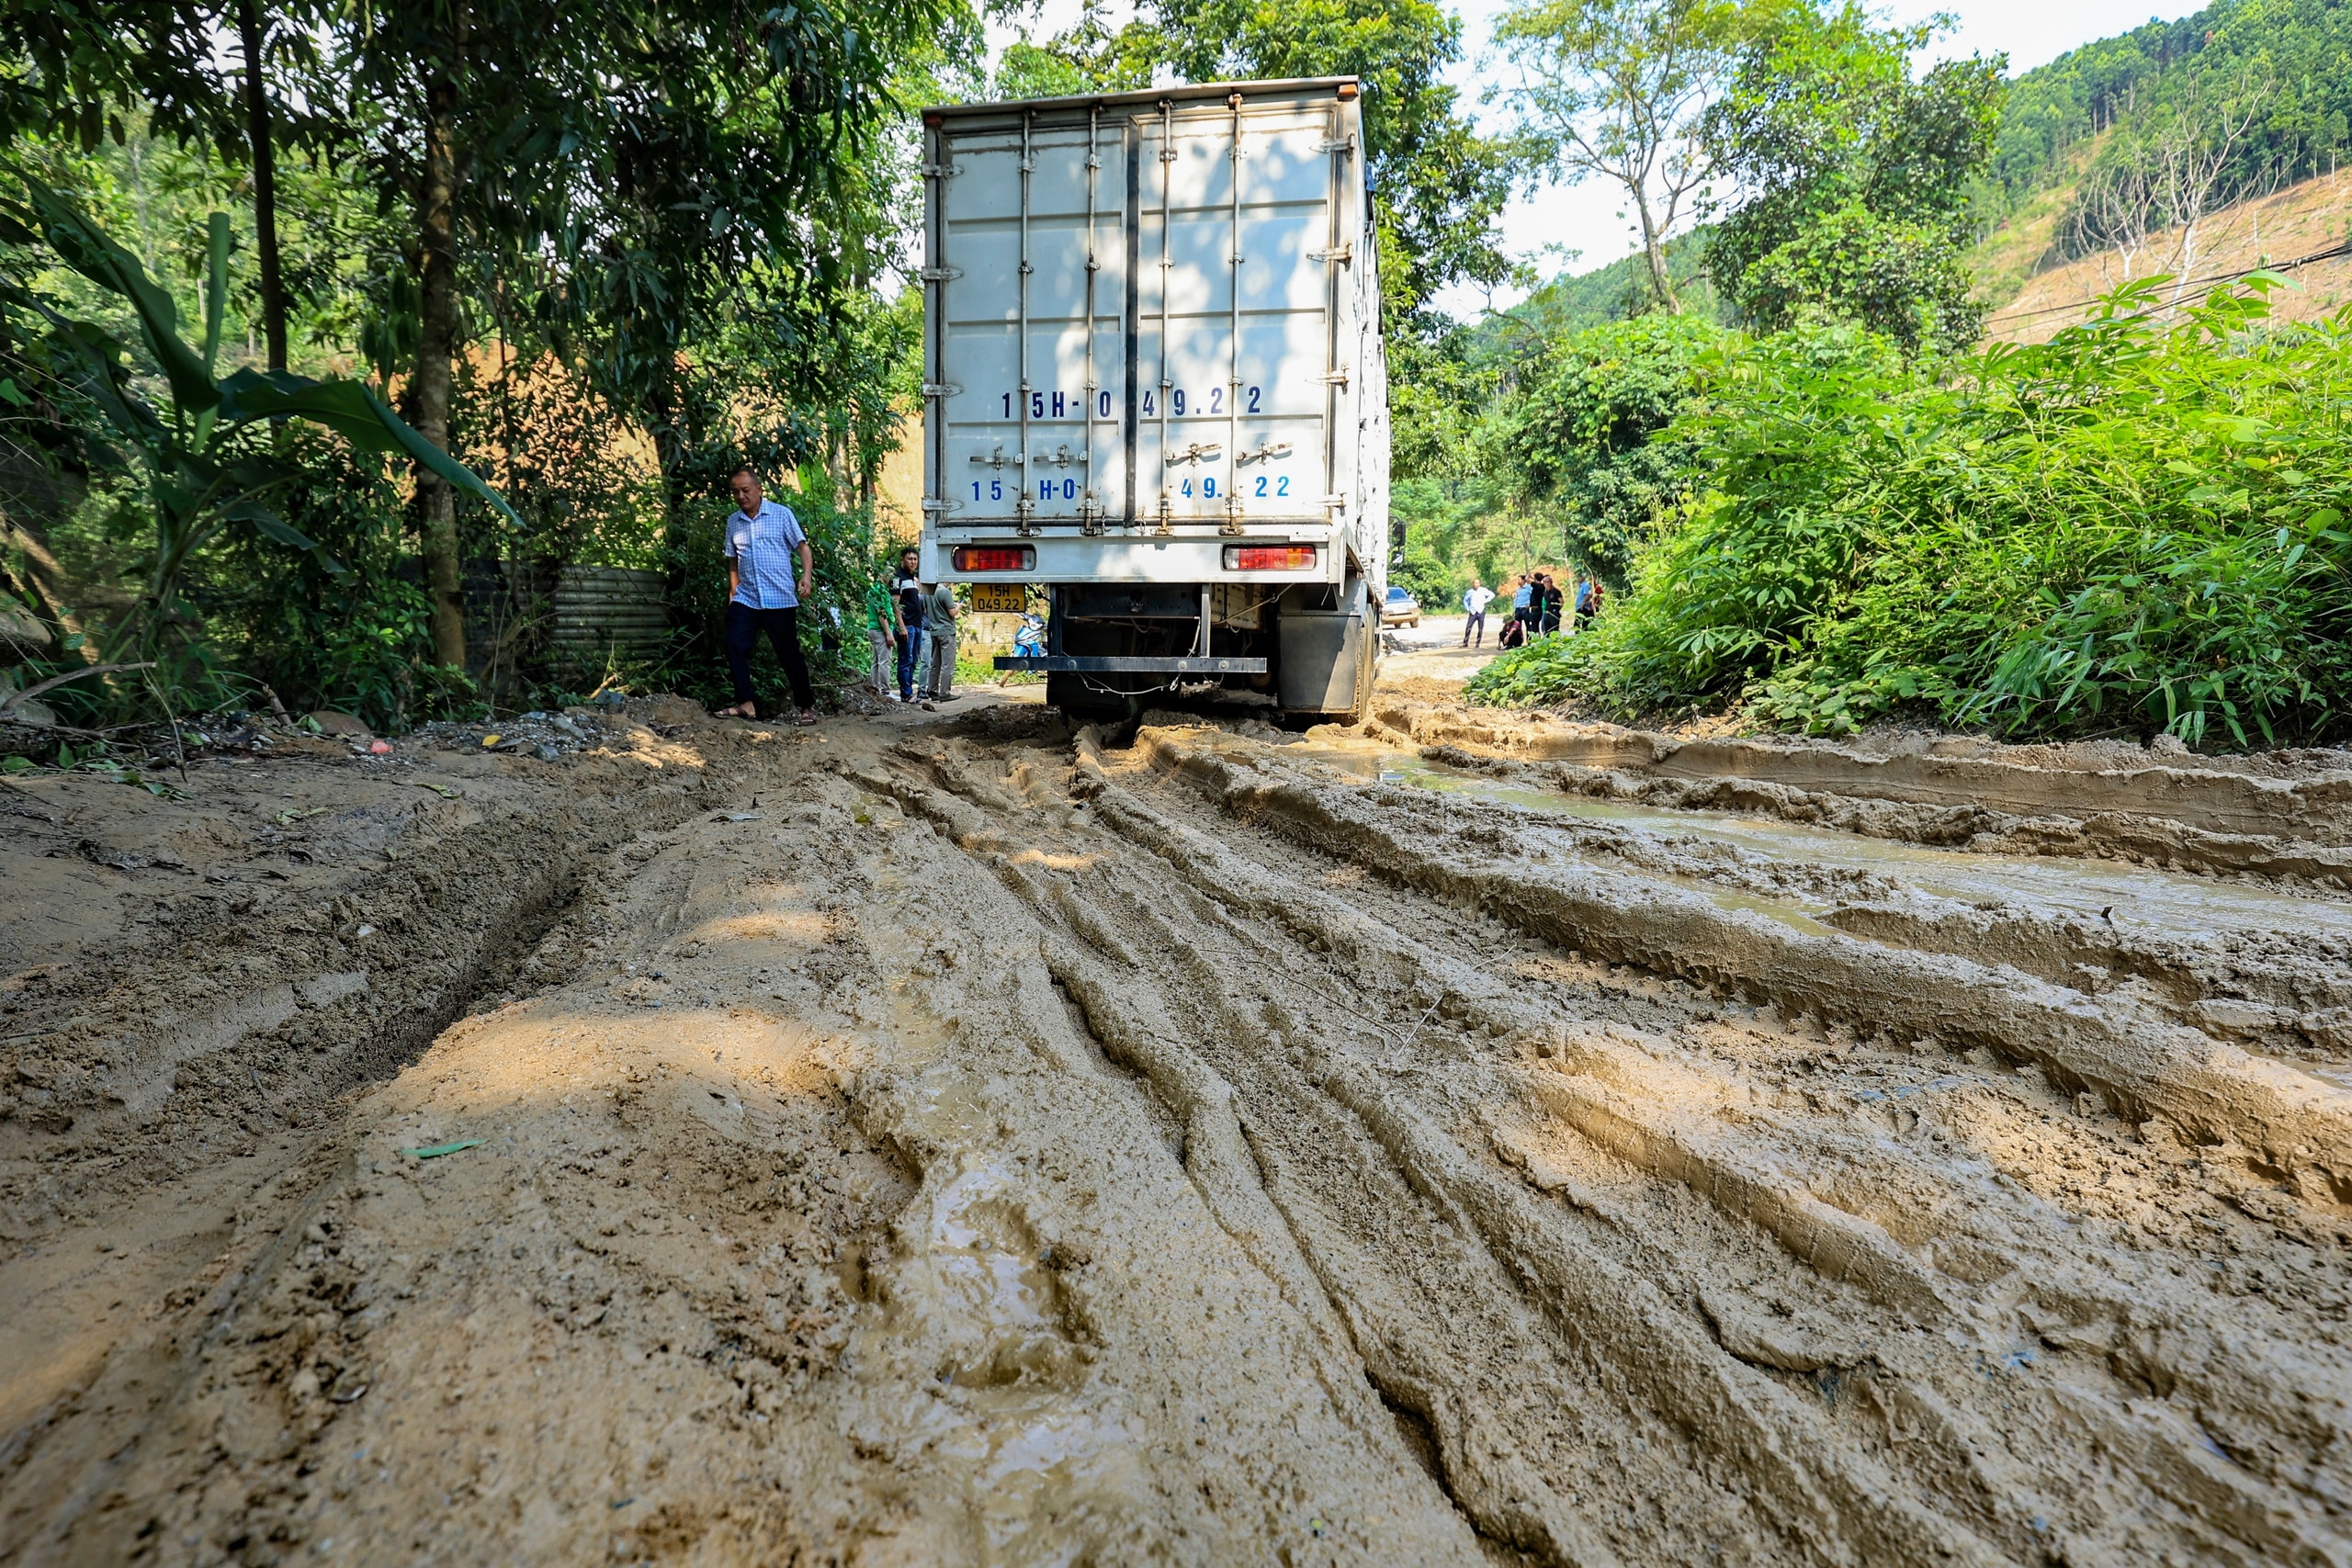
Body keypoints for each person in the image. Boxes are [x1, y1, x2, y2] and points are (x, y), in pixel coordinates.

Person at [715, 465, 816, 725]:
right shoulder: (733, 522)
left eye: (745, 490)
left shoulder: (781, 515)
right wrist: (733, 592)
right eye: (735, 492)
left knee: (788, 654)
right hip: (746, 597)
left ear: (759, 489)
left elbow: (803, 549)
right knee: (734, 644)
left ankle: (806, 706)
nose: (741, 496)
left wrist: (806, 577)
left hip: (779, 598)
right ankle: (746, 704)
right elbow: (733, 561)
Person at [891, 547, 926, 705]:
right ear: (902, 560)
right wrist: (901, 626)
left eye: (915, 559)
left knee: (913, 660)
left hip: (917, 625)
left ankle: (909, 692)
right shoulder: (897, 578)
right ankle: (906, 694)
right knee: (905, 660)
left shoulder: (913, 579)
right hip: (907, 625)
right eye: (909, 559)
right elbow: (895, 604)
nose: (913, 562)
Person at [921, 579, 958, 707]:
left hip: (934, 631)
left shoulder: (928, 592)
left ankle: (932, 690)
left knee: (935, 663)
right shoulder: (945, 592)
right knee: (948, 664)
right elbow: (952, 613)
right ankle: (945, 693)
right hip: (946, 631)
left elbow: (926, 610)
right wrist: (959, 606)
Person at [863, 573, 899, 698]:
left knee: (876, 661)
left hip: (872, 628)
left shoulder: (872, 590)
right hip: (880, 630)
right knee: (884, 661)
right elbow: (881, 613)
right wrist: (888, 633)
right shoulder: (880, 591)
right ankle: (885, 691)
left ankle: (875, 688)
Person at [1461, 578, 1494, 648]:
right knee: (1468, 627)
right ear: (1472, 584)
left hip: (1481, 610)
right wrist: (1467, 608)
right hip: (1473, 611)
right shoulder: (1469, 592)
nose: (1476, 585)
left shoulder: (1483, 590)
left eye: (1478, 583)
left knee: (1480, 628)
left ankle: (1478, 643)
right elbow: (1465, 600)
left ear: (1479, 584)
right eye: (1475, 583)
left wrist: (1486, 601)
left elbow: (1492, 595)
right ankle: (1465, 642)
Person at [1537, 572, 1564, 636]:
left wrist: (1557, 609)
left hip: (1553, 612)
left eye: (1548, 582)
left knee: (1554, 630)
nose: (1547, 583)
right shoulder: (1545, 592)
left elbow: (1561, 602)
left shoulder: (1556, 591)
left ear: (1551, 582)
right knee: (1546, 630)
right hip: (1546, 612)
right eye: (1545, 582)